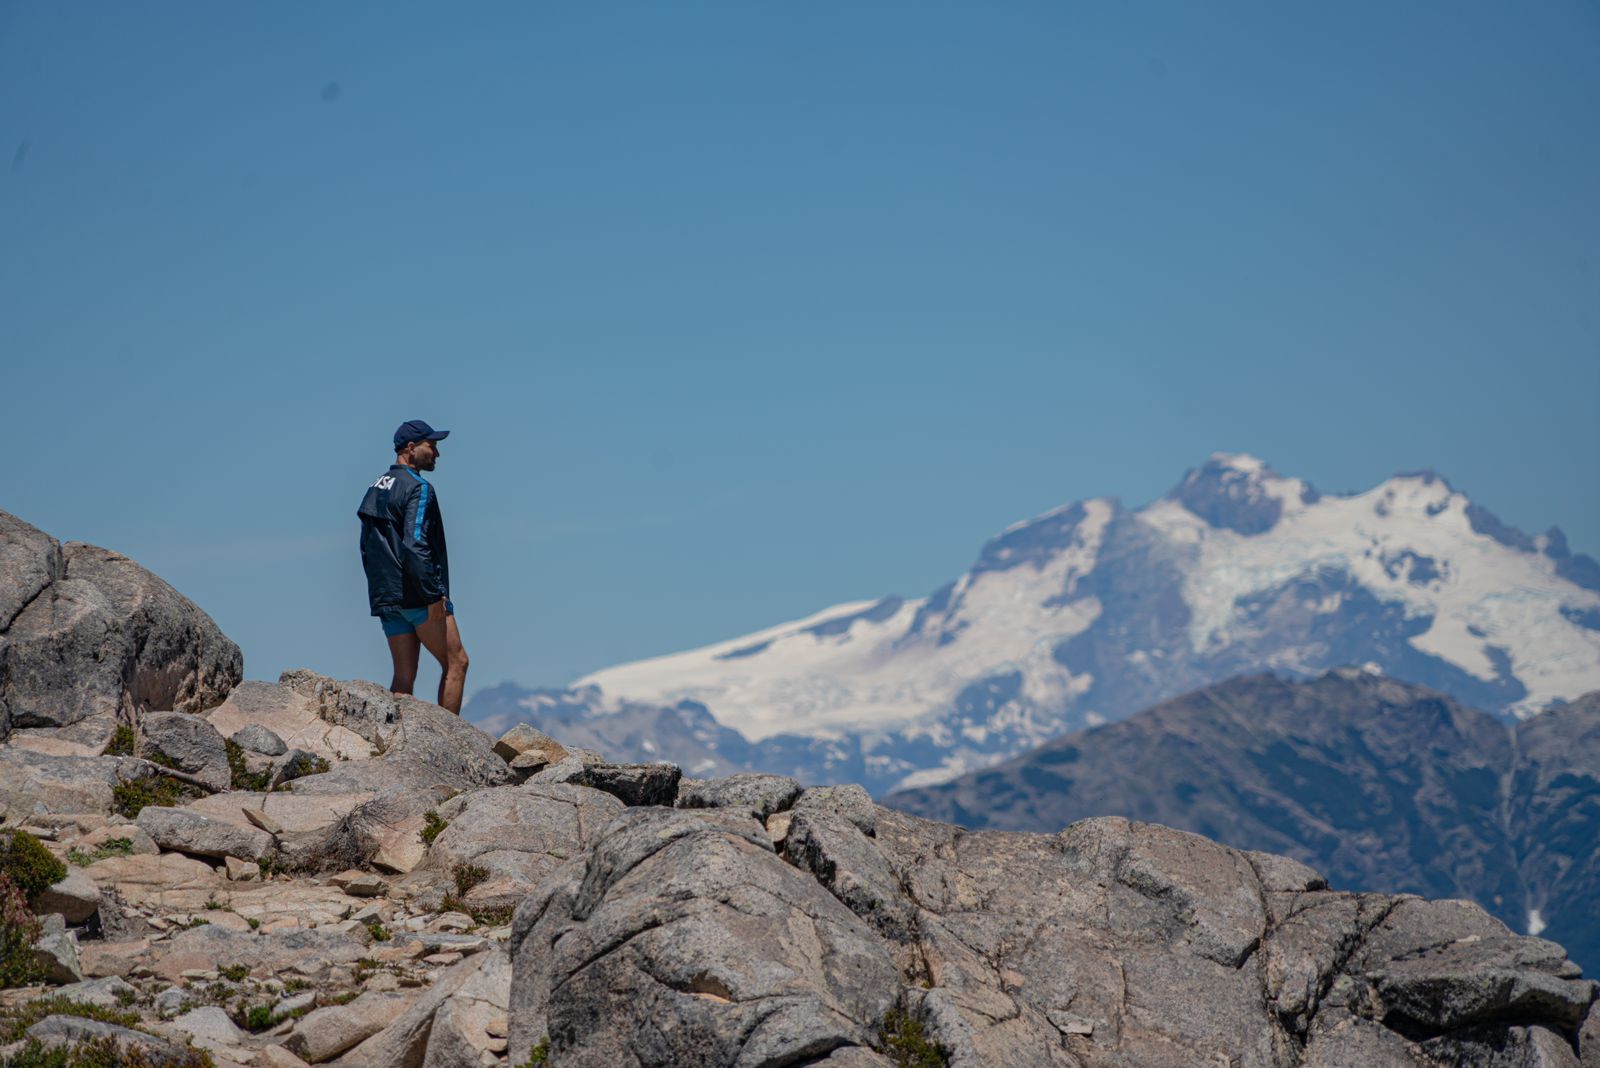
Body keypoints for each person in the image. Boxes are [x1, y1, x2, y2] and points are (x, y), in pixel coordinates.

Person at [357, 419, 470, 714]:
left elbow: (366, 546)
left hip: (386, 596)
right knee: (457, 662)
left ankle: (396, 745)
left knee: (403, 678)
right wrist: (433, 594)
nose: (436, 453)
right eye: (431, 446)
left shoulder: (374, 488)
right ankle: (450, 745)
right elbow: (415, 543)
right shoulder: (418, 488)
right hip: (419, 596)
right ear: (410, 448)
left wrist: (382, 593)